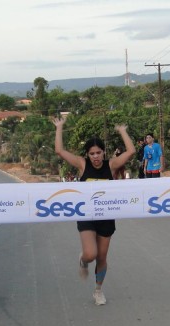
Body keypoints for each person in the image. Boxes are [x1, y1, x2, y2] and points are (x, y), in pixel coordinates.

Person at [53, 117, 135, 306]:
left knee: (102, 257)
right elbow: (59, 150)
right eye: (92, 153)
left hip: (106, 217)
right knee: (90, 254)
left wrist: (122, 130)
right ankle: (83, 260)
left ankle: (98, 290)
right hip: (87, 216)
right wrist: (59, 127)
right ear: (87, 155)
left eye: (98, 153)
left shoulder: (111, 166)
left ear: (103, 153)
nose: (96, 157)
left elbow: (130, 151)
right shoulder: (83, 165)